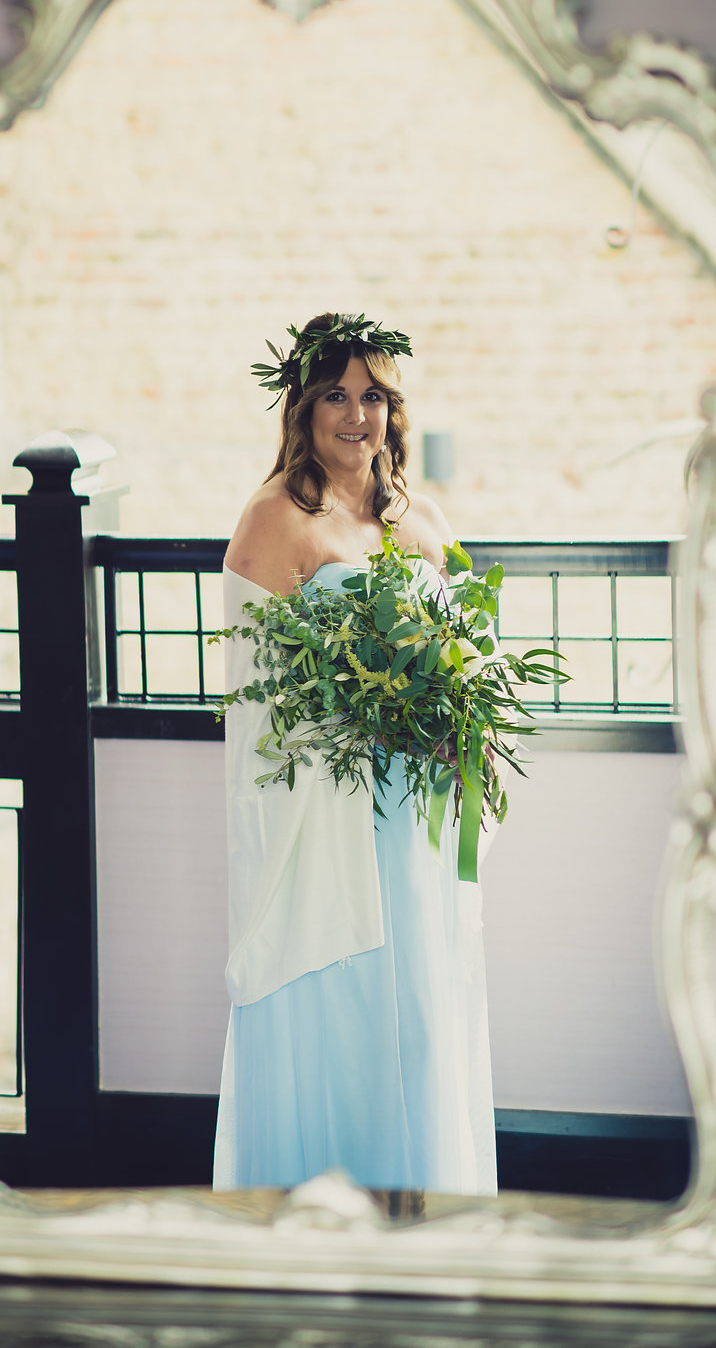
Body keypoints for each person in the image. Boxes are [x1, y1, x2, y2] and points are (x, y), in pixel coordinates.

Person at [212, 312, 497, 1196]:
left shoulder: (421, 517)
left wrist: (452, 712)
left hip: (412, 810)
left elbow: (465, 648)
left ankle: (421, 1201)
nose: (355, 415)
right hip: (330, 812)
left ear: (394, 411)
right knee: (347, 1002)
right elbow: (255, 693)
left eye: (373, 396)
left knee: (418, 1000)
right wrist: (358, 716)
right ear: (302, 408)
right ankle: (321, 1204)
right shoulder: (274, 519)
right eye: (335, 394)